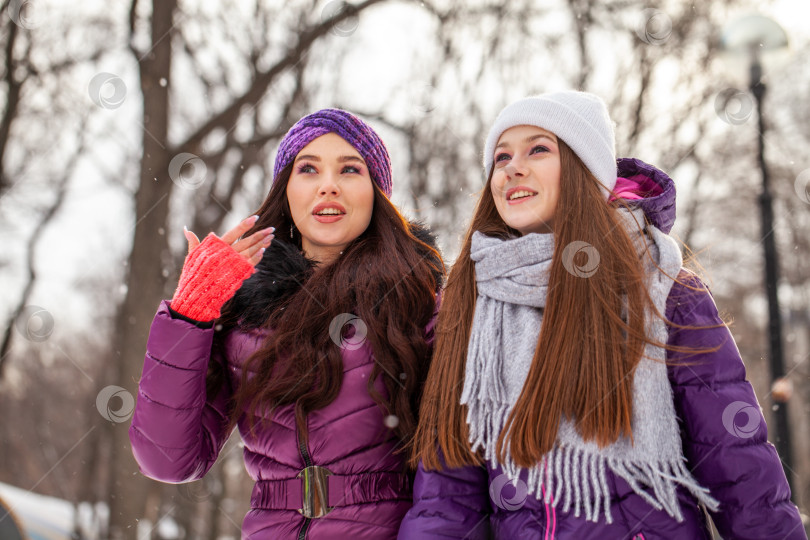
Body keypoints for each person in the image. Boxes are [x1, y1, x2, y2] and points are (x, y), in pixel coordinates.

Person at [400, 91, 806, 539]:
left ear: (584, 170)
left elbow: (738, 467)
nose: (512, 167)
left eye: (538, 149)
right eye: (500, 157)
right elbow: (447, 493)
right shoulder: (469, 300)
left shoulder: (663, 289)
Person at [129, 108, 443, 539]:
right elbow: (167, 460)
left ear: (376, 193)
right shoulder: (245, 315)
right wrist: (188, 315)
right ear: (287, 190)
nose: (327, 185)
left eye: (350, 169)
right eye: (308, 168)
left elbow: (453, 472)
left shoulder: (420, 300)